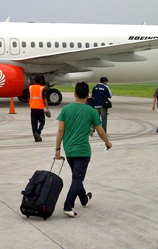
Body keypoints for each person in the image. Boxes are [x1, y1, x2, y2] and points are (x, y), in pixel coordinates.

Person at [55, 81, 112, 218]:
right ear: (88, 95)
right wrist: (108, 143)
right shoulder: (91, 111)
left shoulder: (65, 110)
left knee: (77, 177)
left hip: (69, 150)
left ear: (74, 94)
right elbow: (101, 131)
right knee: (77, 179)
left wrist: (57, 149)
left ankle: (84, 199)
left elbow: (61, 130)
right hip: (82, 150)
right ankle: (68, 206)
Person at [28, 75, 49, 142]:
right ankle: (38, 132)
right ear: (41, 81)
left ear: (34, 81)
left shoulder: (30, 88)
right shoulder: (42, 88)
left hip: (32, 107)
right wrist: (47, 108)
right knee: (42, 121)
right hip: (39, 108)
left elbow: (29, 97)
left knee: (34, 123)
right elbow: (45, 99)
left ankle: (35, 136)